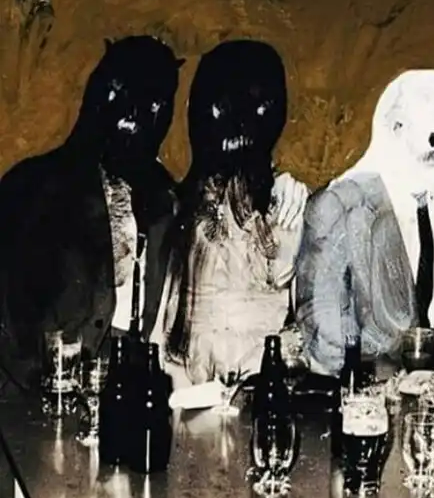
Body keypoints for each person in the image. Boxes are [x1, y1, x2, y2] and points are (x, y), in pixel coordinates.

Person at [0, 36, 184, 391]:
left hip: (128, 390)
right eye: (123, 93)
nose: (140, 114)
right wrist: (43, 383)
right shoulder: (31, 187)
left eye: (159, 103)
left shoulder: (166, 198)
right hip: (42, 391)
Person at [295, 69, 434, 376]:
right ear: (396, 128)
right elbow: (324, 336)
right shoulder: (341, 206)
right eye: (433, 144)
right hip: (376, 385)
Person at [157, 40, 308, 386]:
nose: (239, 123)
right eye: (222, 105)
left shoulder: (288, 205)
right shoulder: (179, 206)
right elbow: (163, 317)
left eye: (258, 105)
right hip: (189, 384)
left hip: (261, 381)